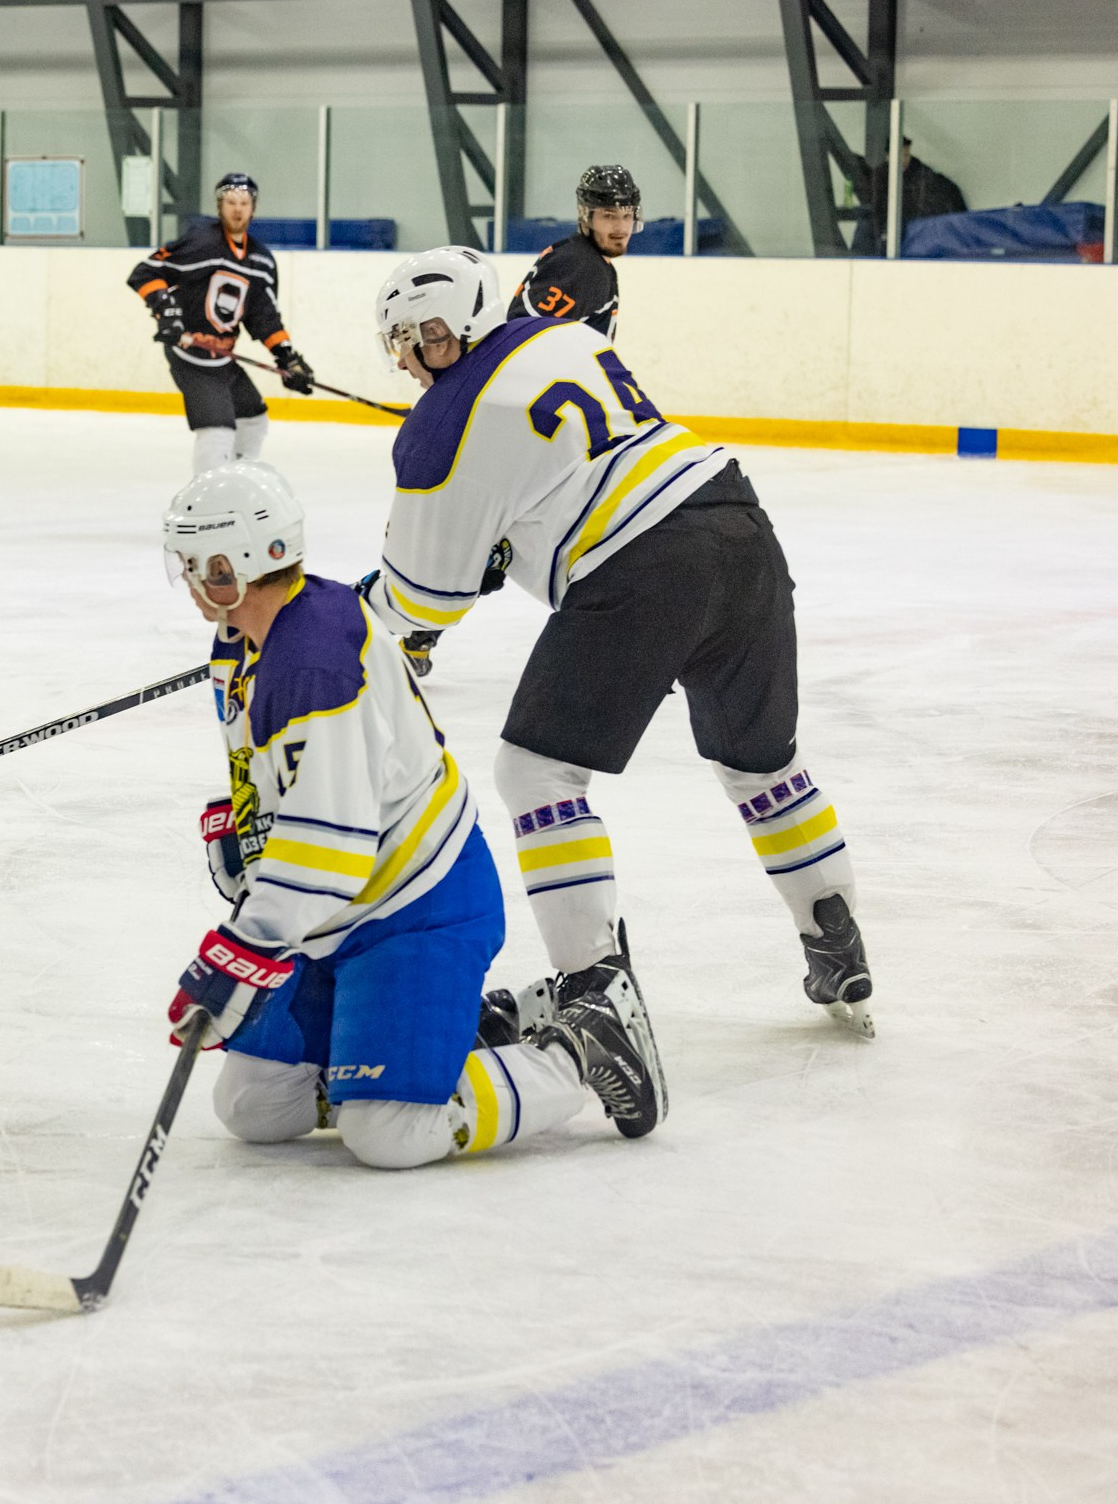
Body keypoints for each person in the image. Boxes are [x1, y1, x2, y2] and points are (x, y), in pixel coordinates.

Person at [360, 246, 874, 1037]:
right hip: (738, 524)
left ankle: (594, 983)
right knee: (762, 762)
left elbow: (424, 598)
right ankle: (834, 939)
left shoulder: (439, 424)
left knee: (536, 773)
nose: (408, 363)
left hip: (645, 569)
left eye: (412, 341)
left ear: (446, 328)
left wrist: (372, 615)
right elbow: (569, 465)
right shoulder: (563, 335)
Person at [159, 461, 667, 1167]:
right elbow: (291, 783)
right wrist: (244, 821)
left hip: (415, 908)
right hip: (330, 921)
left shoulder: (315, 665)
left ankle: (582, 1046)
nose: (187, 578)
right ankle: (470, 1029)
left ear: (232, 563)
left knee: (388, 1131)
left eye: (193, 563)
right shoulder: (242, 640)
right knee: (252, 1104)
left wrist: (246, 948)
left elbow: (330, 850)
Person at [127, 173, 318, 475]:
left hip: (222, 358)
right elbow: (145, 273)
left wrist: (286, 356)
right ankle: (207, 501)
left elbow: (264, 317)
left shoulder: (262, 262)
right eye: (231, 202)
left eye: (244, 202)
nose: (237, 209)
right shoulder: (201, 242)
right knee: (217, 431)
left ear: (253, 207)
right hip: (190, 352)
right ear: (220, 205)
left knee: (253, 419)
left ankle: (239, 481)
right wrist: (168, 312)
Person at [504, 163, 637, 340]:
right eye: (609, 215)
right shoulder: (580, 265)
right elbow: (524, 337)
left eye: (627, 216)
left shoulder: (589, 260)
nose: (620, 227)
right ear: (585, 216)